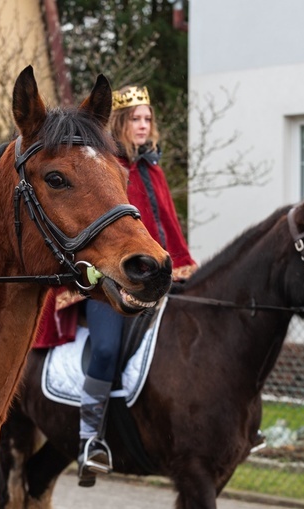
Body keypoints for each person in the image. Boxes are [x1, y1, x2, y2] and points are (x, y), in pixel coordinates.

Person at [75, 84, 197, 487]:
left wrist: (178, 267)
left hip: (160, 280)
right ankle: (89, 439)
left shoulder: (153, 169)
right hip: (108, 284)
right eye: (137, 119)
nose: (144, 125)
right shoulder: (108, 168)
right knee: (107, 349)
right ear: (122, 124)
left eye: (148, 119)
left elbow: (168, 229)